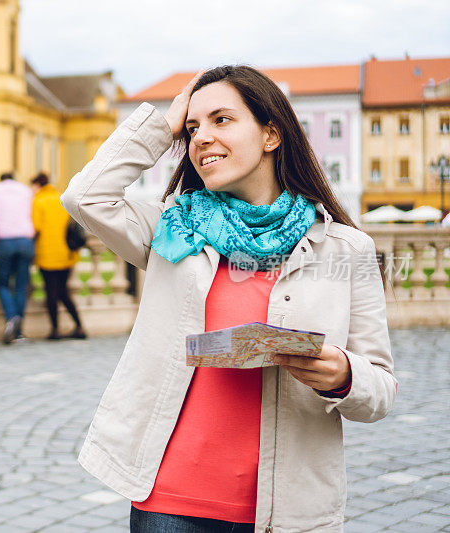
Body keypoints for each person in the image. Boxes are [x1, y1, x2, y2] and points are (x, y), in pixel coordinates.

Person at [60, 66, 396, 533]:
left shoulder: (347, 249)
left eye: (222, 120)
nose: (200, 138)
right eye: (194, 128)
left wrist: (343, 375)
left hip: (288, 509)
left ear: (271, 134)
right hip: (171, 503)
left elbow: (380, 391)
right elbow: (86, 197)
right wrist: (164, 124)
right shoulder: (173, 229)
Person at [30, 172, 86, 340]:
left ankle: (55, 329)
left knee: (51, 294)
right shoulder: (60, 197)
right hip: (66, 253)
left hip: (47, 255)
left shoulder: (38, 201)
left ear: (37, 185)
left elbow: (36, 227)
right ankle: (79, 326)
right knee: (64, 292)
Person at [0, 172, 35, 344]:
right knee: (21, 286)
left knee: (2, 284)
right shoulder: (26, 190)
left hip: (5, 240)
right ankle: (19, 331)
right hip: (25, 239)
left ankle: (12, 317)